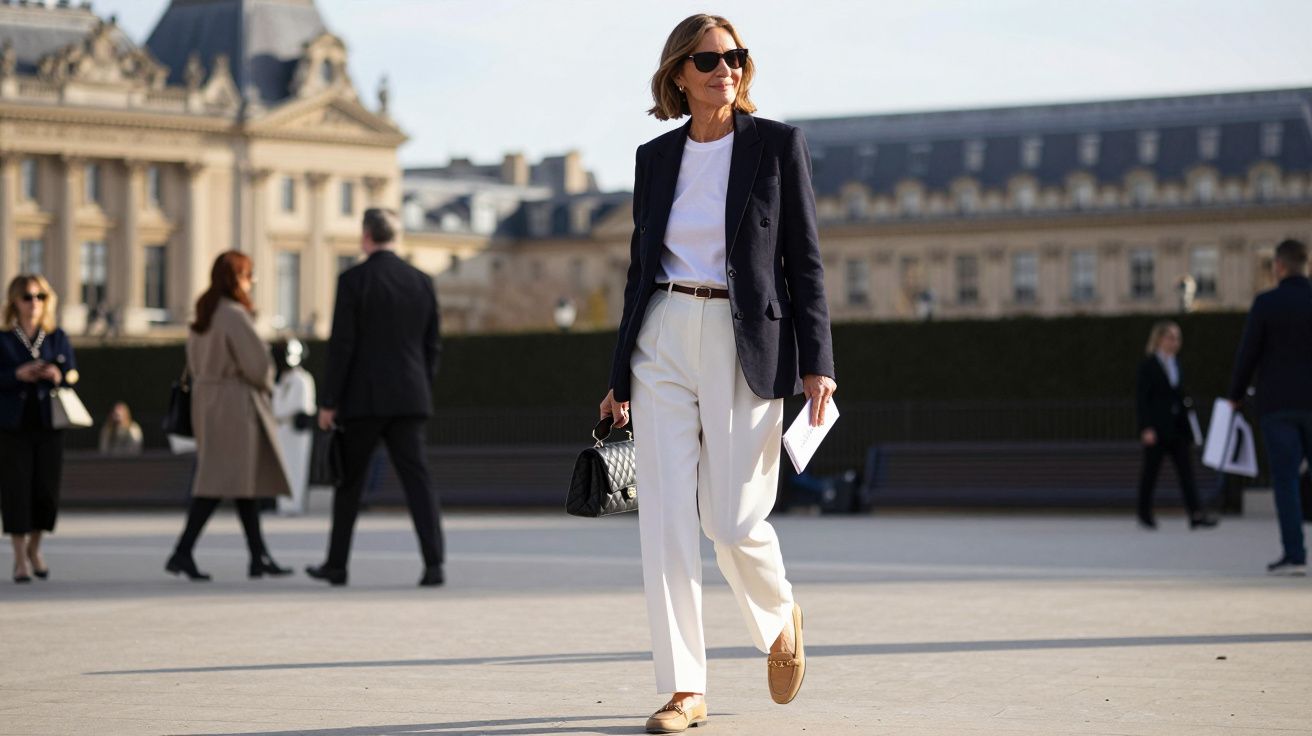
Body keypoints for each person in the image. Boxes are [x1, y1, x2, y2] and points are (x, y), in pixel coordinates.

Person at [598, 14, 836, 732]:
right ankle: (683, 688)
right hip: (663, 333)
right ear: (679, 73)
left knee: (729, 521)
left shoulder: (777, 145)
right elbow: (640, 269)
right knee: (665, 519)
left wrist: (818, 363)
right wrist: (619, 375)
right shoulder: (655, 157)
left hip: (745, 338)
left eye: (734, 57)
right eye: (707, 60)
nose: (724, 69)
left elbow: (805, 261)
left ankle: (779, 614)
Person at [307, 208, 444, 587]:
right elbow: (433, 345)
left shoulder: (353, 280)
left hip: (363, 399)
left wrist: (329, 401)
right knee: (418, 483)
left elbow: (342, 346)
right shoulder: (421, 281)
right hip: (410, 397)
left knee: (349, 484)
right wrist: (421, 386)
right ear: (395, 237)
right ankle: (434, 564)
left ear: (366, 236)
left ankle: (337, 565)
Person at [164, 252, 293, 581]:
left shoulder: (204, 313)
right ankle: (183, 551)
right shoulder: (234, 315)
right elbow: (258, 366)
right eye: (249, 275)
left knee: (240, 481)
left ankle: (257, 555)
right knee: (220, 480)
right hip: (234, 405)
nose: (252, 282)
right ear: (237, 278)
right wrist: (267, 380)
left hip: (207, 402)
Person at [1228, 238, 1312, 576]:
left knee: (1286, 480)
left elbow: (1248, 353)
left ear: (1279, 265)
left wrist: (1235, 395)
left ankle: (1295, 555)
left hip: (1277, 404)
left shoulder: (1266, 303)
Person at [0, 274, 78, 584]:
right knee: (16, 491)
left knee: (46, 491)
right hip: (13, 426)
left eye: (40, 297)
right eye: (27, 297)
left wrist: (58, 375)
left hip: (49, 424)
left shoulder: (56, 336)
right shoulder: (5, 339)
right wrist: (17, 374)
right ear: (15, 302)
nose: (34, 303)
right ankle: (20, 559)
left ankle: (35, 548)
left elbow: (72, 373)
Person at [1135, 321, 1215, 530]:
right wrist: (1146, 427)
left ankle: (1196, 514)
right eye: (1171, 337)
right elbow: (1142, 400)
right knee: (1151, 472)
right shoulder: (1148, 365)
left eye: (1178, 338)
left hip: (1178, 428)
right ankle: (1144, 513)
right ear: (1160, 339)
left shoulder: (1176, 364)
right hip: (1157, 428)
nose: (1175, 342)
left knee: (1186, 472)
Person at [272, 338, 317, 516]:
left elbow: (289, 407)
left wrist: (277, 406)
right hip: (282, 430)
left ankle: (293, 504)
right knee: (284, 469)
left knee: (296, 468)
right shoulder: (285, 379)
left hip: (295, 431)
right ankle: (284, 504)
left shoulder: (300, 379)